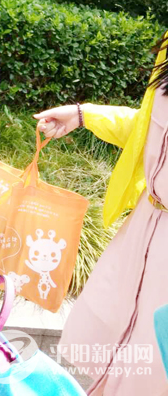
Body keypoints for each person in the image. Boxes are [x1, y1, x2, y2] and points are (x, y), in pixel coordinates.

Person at [34, 33, 168, 395]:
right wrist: (83, 115)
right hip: (145, 228)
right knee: (123, 349)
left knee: (153, 366)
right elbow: (149, 128)